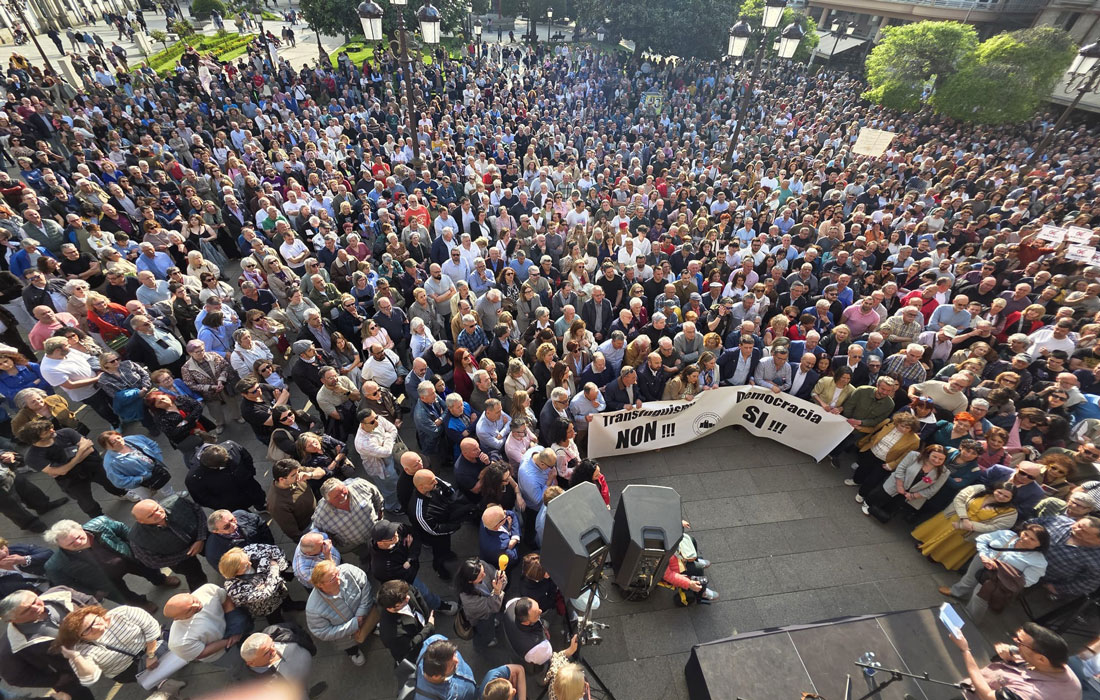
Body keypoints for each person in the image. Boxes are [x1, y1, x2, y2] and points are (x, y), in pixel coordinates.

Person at [42, 518, 179, 611]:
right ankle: (141, 603)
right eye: (71, 544)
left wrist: (138, 549)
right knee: (124, 596)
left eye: (78, 537)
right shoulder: (55, 566)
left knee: (147, 569)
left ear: (80, 528)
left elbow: (123, 530)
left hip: (127, 558)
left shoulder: (101, 523)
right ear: (59, 545)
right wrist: (94, 593)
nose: (78, 543)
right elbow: (69, 586)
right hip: (105, 582)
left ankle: (160, 579)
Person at [53, 604, 188, 693]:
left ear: (97, 613)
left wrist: (151, 655)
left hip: (152, 646)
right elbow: (89, 678)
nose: (96, 627)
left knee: (182, 650)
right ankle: (164, 685)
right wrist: (75, 657)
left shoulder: (123, 613)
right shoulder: (81, 651)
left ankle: (189, 656)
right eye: (87, 630)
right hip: (128, 670)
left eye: (95, 620)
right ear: (79, 637)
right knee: (158, 682)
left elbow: (151, 628)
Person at [0, 587, 99, 700]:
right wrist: (57, 679)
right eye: (26, 611)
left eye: (34, 601)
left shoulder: (60, 593)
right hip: (72, 674)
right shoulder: (9, 649)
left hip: (103, 646)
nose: (36, 608)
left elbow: (89, 601)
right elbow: (15, 677)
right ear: (11, 620)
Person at [938, 524, 1049, 620]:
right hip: (982, 560)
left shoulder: (1039, 562)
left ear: (1040, 544)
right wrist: (983, 555)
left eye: (1032, 539)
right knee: (969, 578)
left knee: (979, 596)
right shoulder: (1006, 534)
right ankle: (956, 592)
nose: (1026, 539)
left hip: (998, 579)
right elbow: (983, 539)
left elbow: (1028, 581)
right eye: (1026, 534)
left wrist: (1002, 573)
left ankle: (970, 619)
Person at [20, 419, 127, 517]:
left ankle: (122, 494)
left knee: (110, 482)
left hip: (92, 466)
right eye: (46, 432)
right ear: (36, 439)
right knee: (86, 502)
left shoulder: (66, 432)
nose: (52, 431)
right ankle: (99, 517)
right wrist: (80, 451)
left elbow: (89, 449)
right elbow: (62, 471)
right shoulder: (32, 457)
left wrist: (66, 464)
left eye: (51, 427)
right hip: (71, 480)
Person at [948, 622, 1082, 700]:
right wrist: (1014, 659)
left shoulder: (1028, 692)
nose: (1015, 645)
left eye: (1020, 643)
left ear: (1041, 658)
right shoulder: (1060, 666)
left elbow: (987, 695)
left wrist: (965, 650)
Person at [912, 483, 1020, 571]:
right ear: (995, 489)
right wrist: (964, 518)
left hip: (971, 531)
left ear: (1011, 498)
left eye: (1006, 496)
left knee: (952, 544)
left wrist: (967, 525)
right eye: (999, 492)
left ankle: (937, 556)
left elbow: (995, 527)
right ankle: (925, 544)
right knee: (938, 532)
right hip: (955, 517)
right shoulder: (979, 489)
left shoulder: (1011, 512)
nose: (1001, 497)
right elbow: (960, 498)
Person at [164, 584, 253, 680]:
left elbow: (226, 600)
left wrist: (235, 626)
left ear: (188, 594)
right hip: (221, 653)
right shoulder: (178, 642)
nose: (196, 605)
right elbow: (202, 653)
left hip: (231, 627)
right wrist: (229, 641)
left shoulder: (207, 590)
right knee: (238, 664)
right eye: (189, 610)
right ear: (177, 619)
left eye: (193, 600)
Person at [129, 496, 209, 590]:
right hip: (177, 559)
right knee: (196, 578)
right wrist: (187, 554)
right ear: (140, 521)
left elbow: (198, 512)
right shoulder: (137, 539)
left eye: (157, 509)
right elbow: (153, 562)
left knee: (219, 555)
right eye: (150, 515)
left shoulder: (178, 502)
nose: (158, 514)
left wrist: (201, 538)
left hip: (200, 537)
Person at [305, 560, 375, 667]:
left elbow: (365, 586)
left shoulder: (348, 570)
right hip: (346, 637)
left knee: (370, 623)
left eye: (337, 572)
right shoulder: (313, 609)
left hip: (365, 615)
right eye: (333, 578)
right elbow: (323, 632)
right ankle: (353, 653)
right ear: (320, 585)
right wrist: (354, 625)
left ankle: (372, 628)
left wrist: (361, 613)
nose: (339, 577)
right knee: (349, 646)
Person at [310, 477, 385, 558]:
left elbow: (377, 498)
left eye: (342, 490)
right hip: (355, 546)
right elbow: (320, 535)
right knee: (367, 556)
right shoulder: (321, 516)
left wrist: (380, 519)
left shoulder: (360, 486)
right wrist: (336, 545)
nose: (342, 496)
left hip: (377, 532)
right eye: (336, 497)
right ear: (328, 501)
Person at [218, 545, 297, 622]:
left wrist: (282, 567)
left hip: (279, 589)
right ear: (234, 572)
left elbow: (276, 550)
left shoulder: (248, 550)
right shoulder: (234, 588)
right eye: (245, 566)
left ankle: (289, 606)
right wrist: (274, 568)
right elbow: (264, 594)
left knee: (286, 599)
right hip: (266, 606)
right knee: (276, 619)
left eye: (248, 559)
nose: (250, 563)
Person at [456, 558, 506, 651]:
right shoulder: (468, 599)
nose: (485, 574)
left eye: (483, 571)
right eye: (481, 576)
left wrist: (500, 578)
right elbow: (492, 608)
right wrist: (497, 591)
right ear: (470, 581)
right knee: (484, 631)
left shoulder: (481, 565)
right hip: (481, 618)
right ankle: (482, 645)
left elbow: (494, 574)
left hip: (490, 606)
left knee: (490, 623)